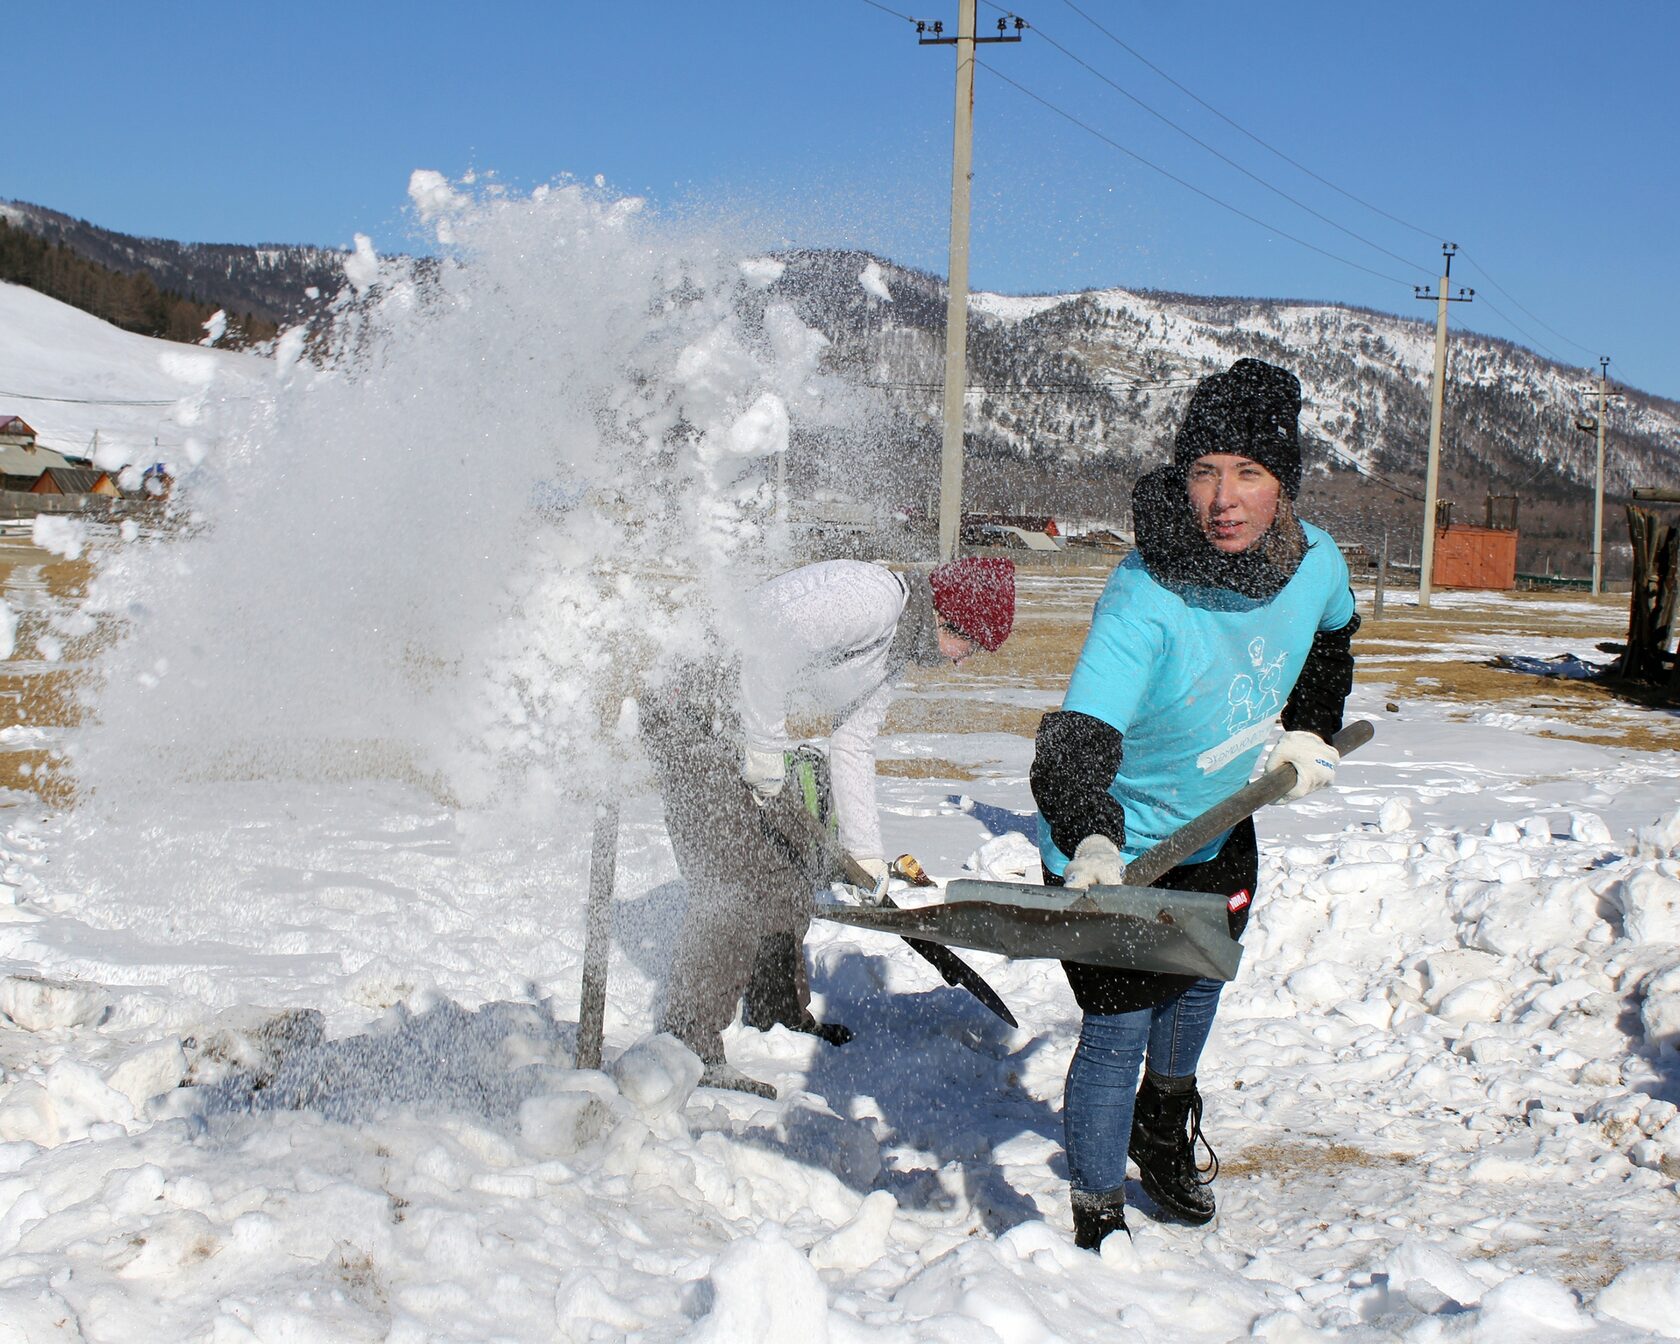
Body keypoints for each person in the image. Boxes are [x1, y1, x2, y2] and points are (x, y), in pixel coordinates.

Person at [1030, 358, 1358, 1249]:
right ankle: (1096, 1220)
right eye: (1204, 470)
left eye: (1249, 472)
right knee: (1119, 1028)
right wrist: (1090, 840)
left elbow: (1334, 635)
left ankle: (1163, 1130)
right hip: (1113, 849)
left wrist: (1311, 729)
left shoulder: (1315, 561)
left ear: (1283, 485)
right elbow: (1075, 743)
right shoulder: (1146, 593)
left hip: (1222, 823)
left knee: (1203, 975)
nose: (1223, 497)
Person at [643, 555, 1016, 1097]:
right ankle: (687, 1045)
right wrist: (766, 751)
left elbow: (853, 742)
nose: (963, 662)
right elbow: (766, 650)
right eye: (971, 648)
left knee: (791, 867)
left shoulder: (893, 652)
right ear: (949, 618)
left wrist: (866, 854)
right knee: (736, 883)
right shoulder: (873, 600)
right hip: (690, 708)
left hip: (739, 721)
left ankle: (776, 1012)